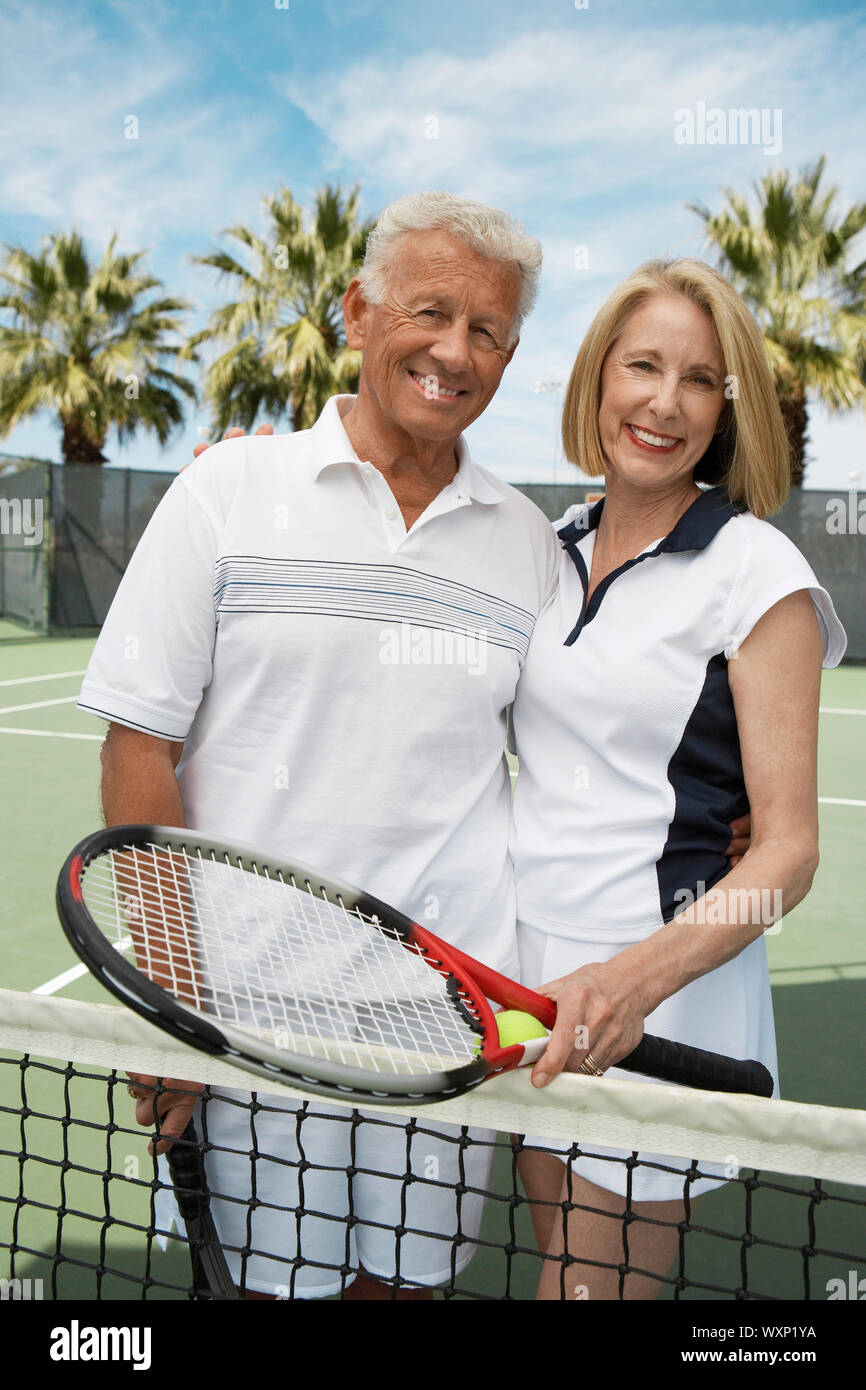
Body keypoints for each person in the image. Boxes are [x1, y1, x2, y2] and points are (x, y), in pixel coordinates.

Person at [78, 190, 560, 1301]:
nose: (453, 351)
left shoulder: (529, 544)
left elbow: (581, 750)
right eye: (429, 313)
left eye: (485, 330)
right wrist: (170, 995)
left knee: (401, 1294)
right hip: (246, 1015)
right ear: (358, 312)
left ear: (509, 353)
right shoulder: (224, 490)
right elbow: (138, 747)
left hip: (439, 1026)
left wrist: (715, 816)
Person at [505, 258, 847, 1299]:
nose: (662, 401)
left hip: (656, 1009)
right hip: (526, 982)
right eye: (640, 365)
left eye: (697, 379)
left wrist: (629, 985)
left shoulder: (758, 573)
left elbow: (785, 849)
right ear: (594, 381)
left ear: (725, 405)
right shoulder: (546, 543)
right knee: (551, 1275)